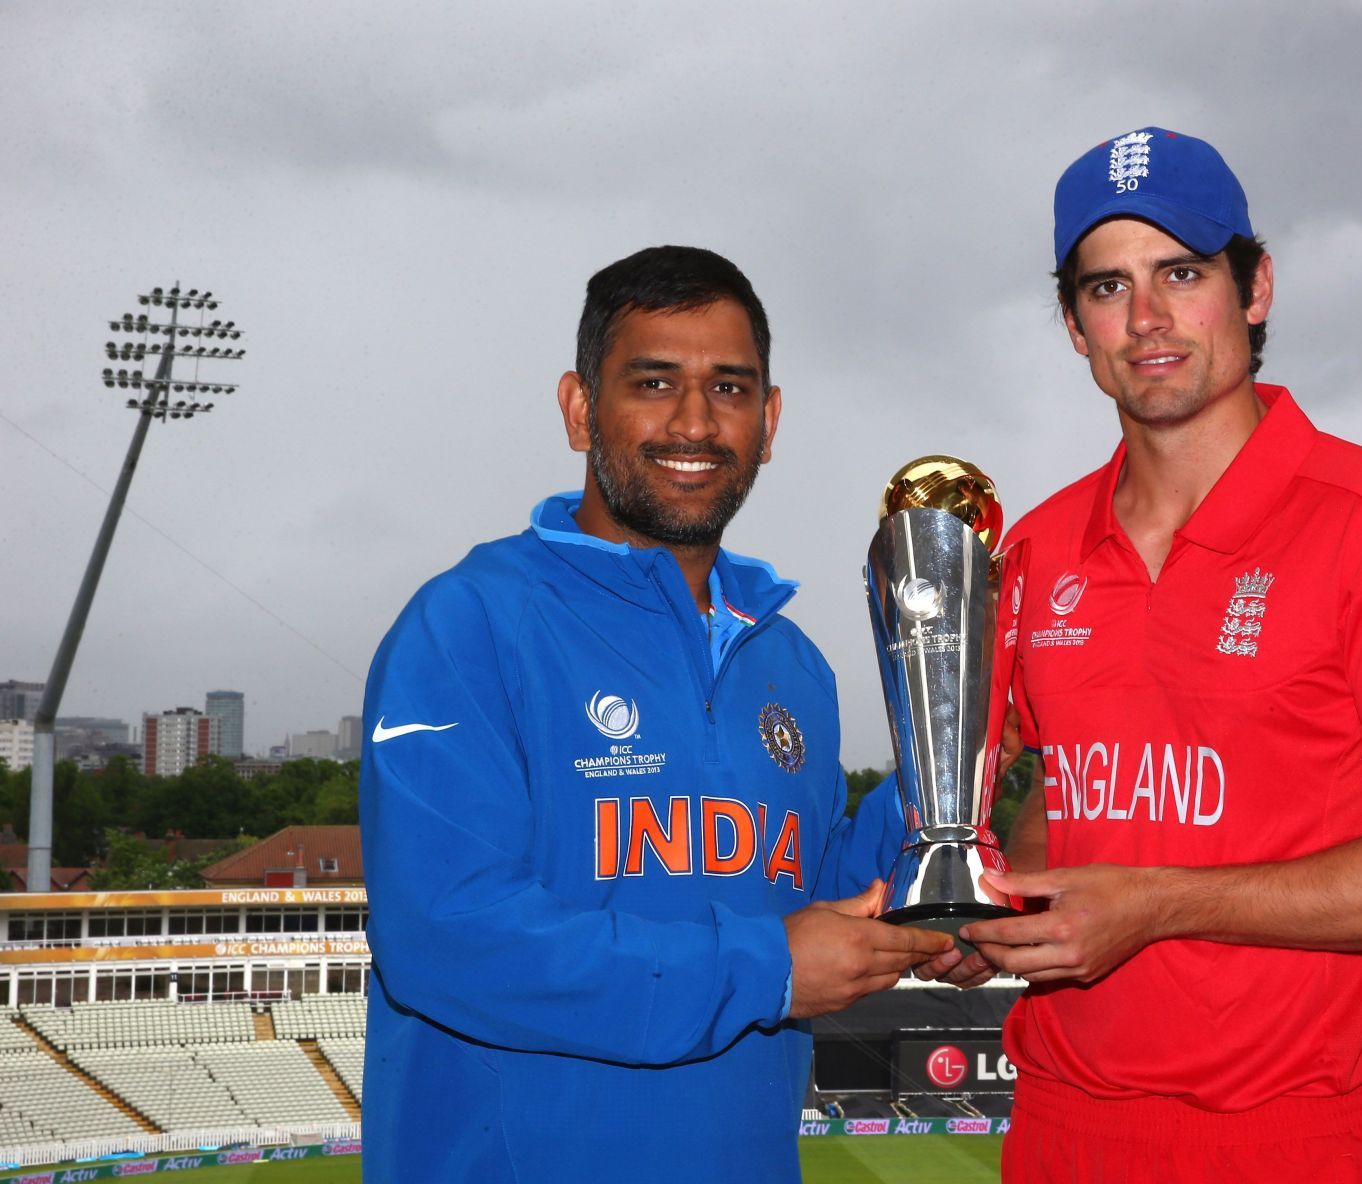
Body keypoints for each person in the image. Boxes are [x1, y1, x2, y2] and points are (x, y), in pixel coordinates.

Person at [928, 128, 1362, 1181]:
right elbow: (1059, 792)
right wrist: (999, 909)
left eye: (1183, 273)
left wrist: (1161, 900)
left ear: (1255, 289)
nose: (1147, 318)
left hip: (1287, 1137)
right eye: (1107, 286)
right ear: (1074, 324)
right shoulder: (1033, 546)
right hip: (1061, 1130)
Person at [360, 245, 951, 1183]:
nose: (694, 420)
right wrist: (770, 968)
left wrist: (937, 819)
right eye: (653, 381)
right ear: (579, 408)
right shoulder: (469, 621)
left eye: (730, 387)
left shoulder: (789, 661)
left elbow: (802, 894)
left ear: (770, 420)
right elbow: (446, 934)